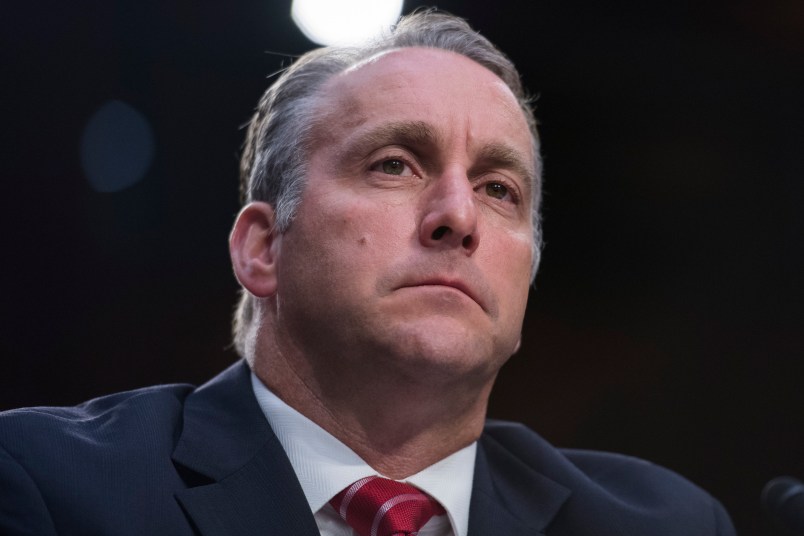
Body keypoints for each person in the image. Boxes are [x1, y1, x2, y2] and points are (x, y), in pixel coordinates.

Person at [0, 10, 735, 536]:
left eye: (499, 189)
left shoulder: (667, 521)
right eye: (393, 165)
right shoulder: (50, 488)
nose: (458, 216)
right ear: (262, 248)